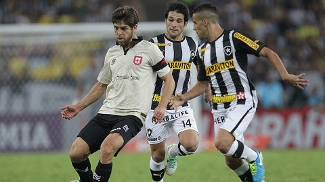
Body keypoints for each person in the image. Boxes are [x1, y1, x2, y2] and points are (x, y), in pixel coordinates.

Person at [169, 2, 309, 182]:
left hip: (241, 100)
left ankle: (255, 156)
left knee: (221, 142)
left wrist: (284, 74)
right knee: (231, 159)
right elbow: (203, 83)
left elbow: (267, 52)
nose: (193, 28)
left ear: (205, 21)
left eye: (195, 23)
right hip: (219, 106)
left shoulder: (234, 37)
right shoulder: (203, 51)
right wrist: (183, 98)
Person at [61, 5, 175, 182]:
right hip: (106, 112)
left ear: (134, 28)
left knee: (107, 149)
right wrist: (78, 107)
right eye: (116, 28)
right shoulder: (112, 52)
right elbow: (101, 85)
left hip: (132, 115)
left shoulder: (149, 49)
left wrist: (161, 105)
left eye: (124, 28)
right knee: (76, 153)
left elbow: (169, 80)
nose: (119, 32)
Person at [145, 1, 211, 182]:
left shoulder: (192, 44)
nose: (174, 24)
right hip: (156, 106)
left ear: (185, 24)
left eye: (179, 21)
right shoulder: (153, 44)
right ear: (165, 20)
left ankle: (173, 152)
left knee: (191, 145)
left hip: (180, 104)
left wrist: (209, 89)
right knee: (157, 156)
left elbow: (203, 70)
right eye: (171, 20)